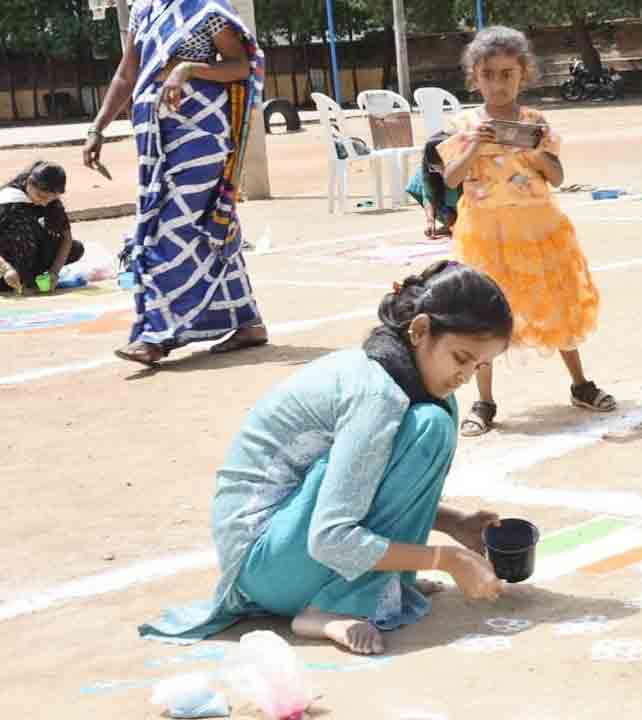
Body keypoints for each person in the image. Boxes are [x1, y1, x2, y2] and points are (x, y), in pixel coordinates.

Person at [139, 261, 512, 654]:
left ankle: (380, 582)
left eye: (479, 365)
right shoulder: (376, 396)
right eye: (461, 358)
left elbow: (361, 485)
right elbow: (330, 538)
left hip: (287, 545)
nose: (467, 375)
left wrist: (454, 523)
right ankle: (328, 607)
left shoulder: (398, 377)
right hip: (265, 563)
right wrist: (446, 559)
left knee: (438, 414)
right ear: (419, 331)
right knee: (429, 428)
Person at [439, 26, 617, 437]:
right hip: (484, 236)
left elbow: (555, 176)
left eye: (507, 74)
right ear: (474, 77)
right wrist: (473, 148)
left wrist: (536, 153)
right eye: (488, 74)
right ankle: (483, 400)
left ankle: (580, 383)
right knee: (481, 314)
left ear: (523, 75)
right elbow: (450, 178)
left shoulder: (535, 123)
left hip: (538, 230)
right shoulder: (464, 124)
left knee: (556, 302)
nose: (498, 84)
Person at [84, 0, 268, 367]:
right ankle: (247, 321)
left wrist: (187, 68)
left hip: (201, 135)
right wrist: (97, 127)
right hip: (157, 137)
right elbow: (127, 74)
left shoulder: (206, 8)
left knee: (165, 232)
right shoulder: (144, 10)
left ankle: (156, 335)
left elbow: (242, 65)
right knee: (206, 227)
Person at [0, 162, 83, 294]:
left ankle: (30, 277)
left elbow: (66, 238)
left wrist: (54, 272)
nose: (44, 202)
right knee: (23, 230)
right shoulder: (8, 200)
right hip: (8, 260)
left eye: (51, 199)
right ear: (29, 182)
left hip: (31, 257)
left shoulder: (51, 202)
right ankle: (20, 280)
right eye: (41, 196)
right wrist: (6, 269)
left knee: (75, 248)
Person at [405, 131, 460, 239]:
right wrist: (431, 221)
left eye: (443, 166)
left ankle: (458, 222)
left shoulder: (467, 164)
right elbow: (428, 196)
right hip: (449, 206)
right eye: (435, 168)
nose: (440, 172)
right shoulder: (430, 172)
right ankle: (450, 221)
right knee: (419, 181)